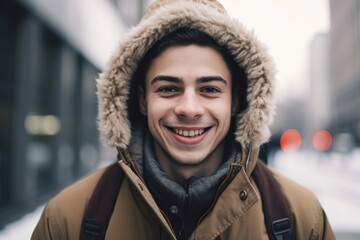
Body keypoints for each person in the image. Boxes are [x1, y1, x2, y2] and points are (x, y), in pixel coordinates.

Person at [32, 0, 335, 239]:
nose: (189, 108)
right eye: (168, 88)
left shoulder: (300, 218)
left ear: (236, 101)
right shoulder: (69, 220)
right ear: (141, 99)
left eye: (209, 89)